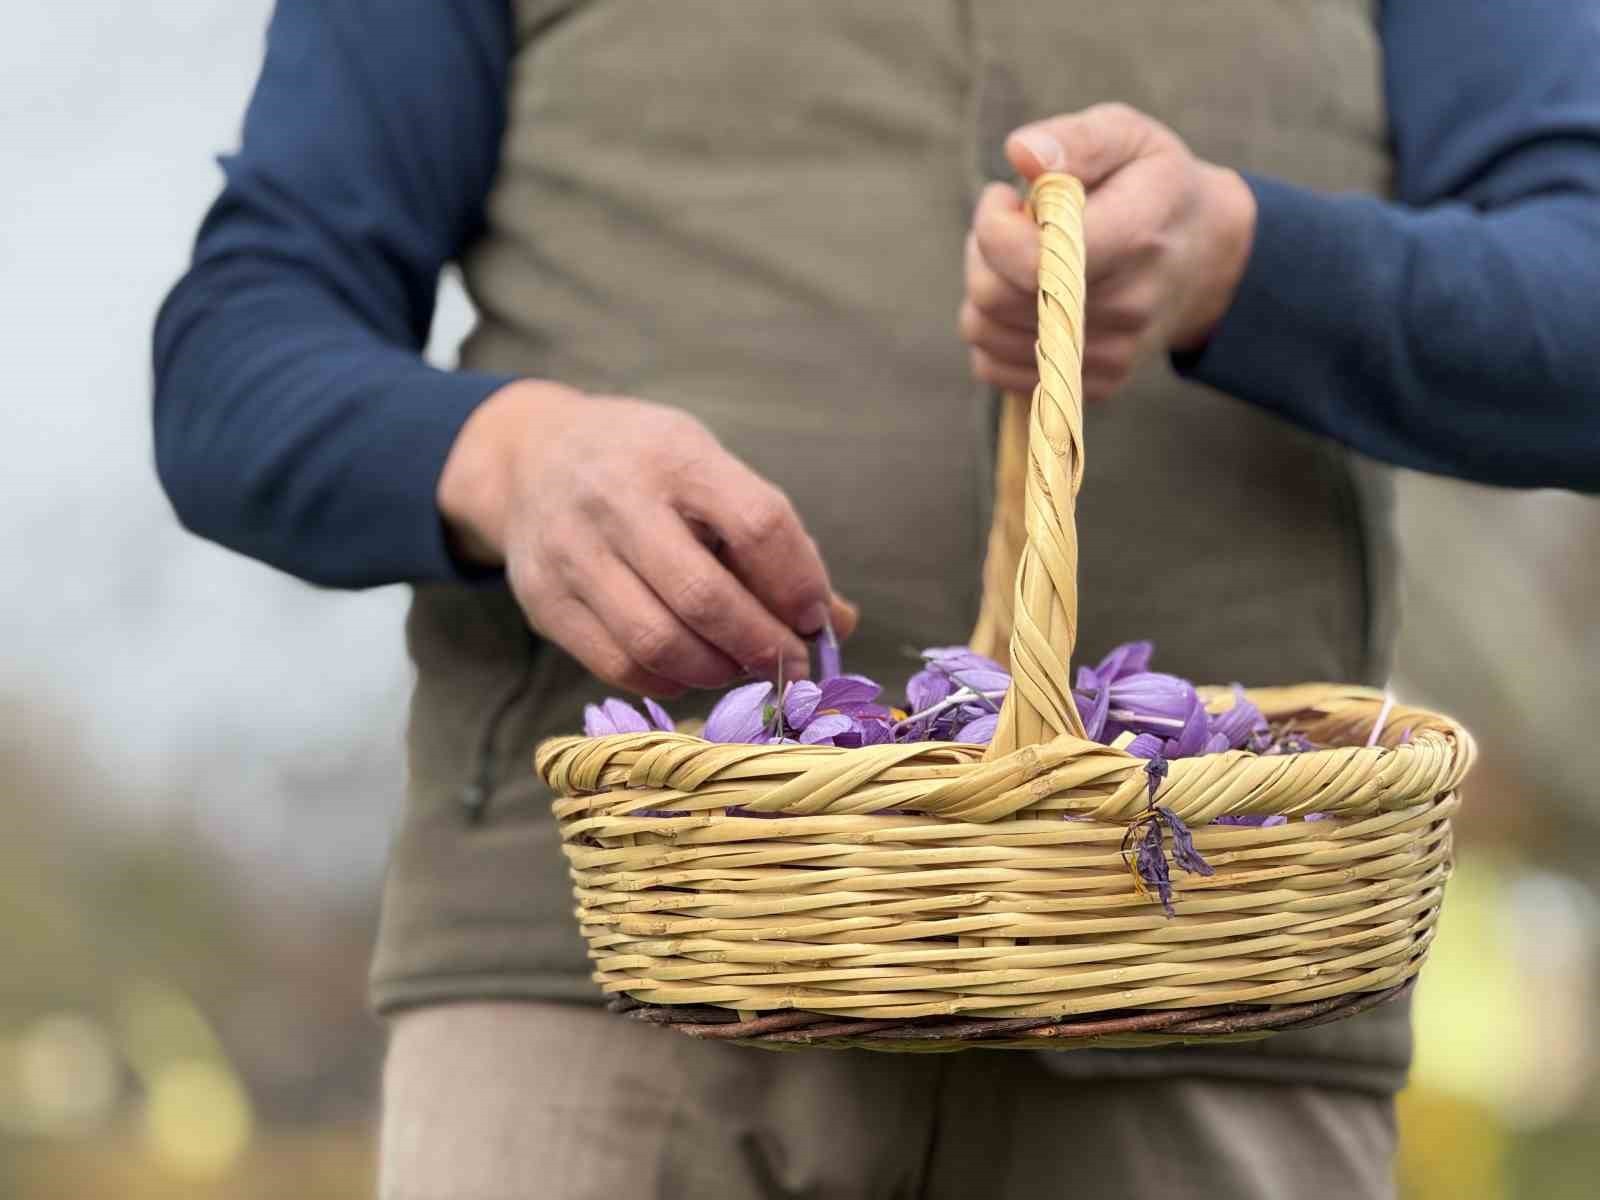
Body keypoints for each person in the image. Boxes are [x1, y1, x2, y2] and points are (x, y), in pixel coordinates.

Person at [152, 1, 1600, 1196]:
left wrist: (1245, 258)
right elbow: (235, 351)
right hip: (604, 974)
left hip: (1212, 990)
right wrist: (511, 457)